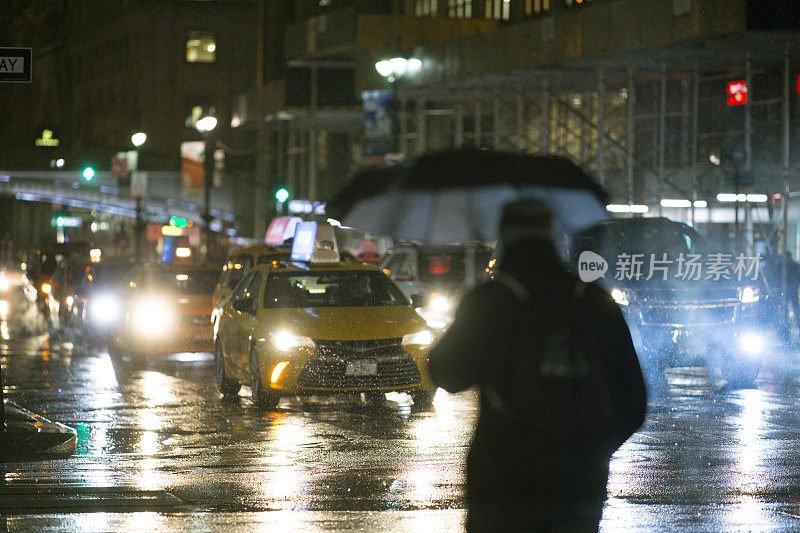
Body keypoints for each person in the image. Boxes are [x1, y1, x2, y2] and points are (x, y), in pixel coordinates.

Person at [428, 199, 647, 532]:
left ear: (505, 238)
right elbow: (633, 402)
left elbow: (447, 373)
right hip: (578, 483)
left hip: (502, 481)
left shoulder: (489, 300)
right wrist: (591, 451)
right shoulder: (592, 300)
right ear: (553, 238)